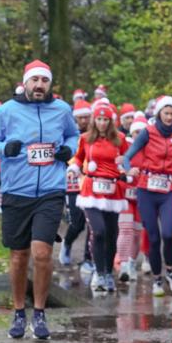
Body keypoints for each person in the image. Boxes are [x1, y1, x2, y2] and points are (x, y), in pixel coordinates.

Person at [0, 59, 79, 339]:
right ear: (25, 83)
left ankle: (41, 313)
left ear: (49, 84)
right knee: (19, 256)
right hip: (16, 192)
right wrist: (4, 149)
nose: (39, 85)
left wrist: (69, 149)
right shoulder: (7, 111)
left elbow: (73, 134)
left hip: (50, 191)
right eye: (35, 80)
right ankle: (20, 312)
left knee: (42, 253)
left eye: (44, 81)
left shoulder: (61, 110)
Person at [123, 95, 172, 296]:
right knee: (153, 237)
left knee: (168, 234)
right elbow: (128, 156)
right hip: (146, 189)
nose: (169, 117)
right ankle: (157, 279)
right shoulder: (147, 132)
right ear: (159, 113)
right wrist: (128, 170)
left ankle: (170, 271)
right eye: (166, 113)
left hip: (168, 190)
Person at [70, 103, 129, 292]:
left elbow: (130, 158)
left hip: (113, 190)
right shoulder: (85, 139)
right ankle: (98, 270)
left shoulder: (120, 138)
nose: (102, 123)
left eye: (105, 119)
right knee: (99, 231)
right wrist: (73, 169)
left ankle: (108, 273)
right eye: (99, 119)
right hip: (91, 190)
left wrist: (126, 165)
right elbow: (78, 158)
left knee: (112, 234)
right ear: (94, 120)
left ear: (111, 121)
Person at [61, 99, 94, 270]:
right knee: (77, 223)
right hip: (73, 183)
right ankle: (67, 244)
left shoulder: (95, 135)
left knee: (92, 223)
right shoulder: (69, 135)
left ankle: (88, 259)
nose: (84, 121)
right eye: (80, 118)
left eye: (87, 117)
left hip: (92, 183)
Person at [115, 115, 148, 282]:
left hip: (142, 196)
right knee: (125, 229)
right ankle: (123, 264)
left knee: (136, 233)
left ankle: (132, 262)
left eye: (141, 131)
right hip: (125, 194)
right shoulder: (125, 145)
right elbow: (116, 163)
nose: (138, 134)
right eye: (135, 131)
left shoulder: (150, 149)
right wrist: (124, 170)